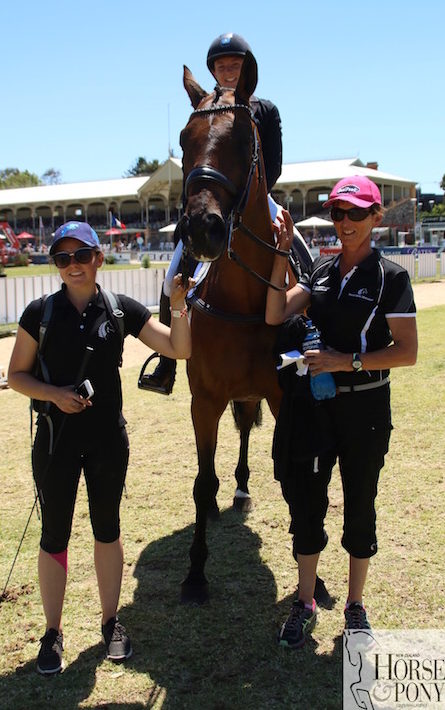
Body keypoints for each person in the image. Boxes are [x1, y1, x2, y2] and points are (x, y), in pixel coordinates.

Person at [7, 220, 194, 674]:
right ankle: (52, 633)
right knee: (54, 534)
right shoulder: (39, 313)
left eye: (80, 256)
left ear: (98, 259)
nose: (72, 266)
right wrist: (55, 395)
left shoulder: (120, 309)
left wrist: (179, 305)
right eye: (62, 258)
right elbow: (16, 376)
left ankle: (111, 622)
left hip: (109, 440)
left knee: (106, 529)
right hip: (55, 441)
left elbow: (178, 350)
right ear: (57, 265)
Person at [265, 176, 418, 648]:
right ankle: (305, 602)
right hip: (316, 409)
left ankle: (355, 606)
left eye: (355, 213)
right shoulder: (321, 273)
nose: (344, 223)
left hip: (366, 407)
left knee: (359, 502)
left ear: (376, 218)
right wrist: (282, 251)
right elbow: (274, 313)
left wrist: (345, 360)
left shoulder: (391, 277)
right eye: (337, 213)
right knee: (309, 503)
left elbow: (407, 352)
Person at [143, 32, 283, 395]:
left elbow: (275, 164)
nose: (228, 71)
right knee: (172, 274)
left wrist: (249, 199)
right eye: (222, 66)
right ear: (213, 71)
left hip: (254, 197)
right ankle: (168, 363)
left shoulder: (264, 109)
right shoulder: (204, 110)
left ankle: (312, 336)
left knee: (298, 250)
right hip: (212, 200)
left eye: (235, 65)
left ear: (245, 70)